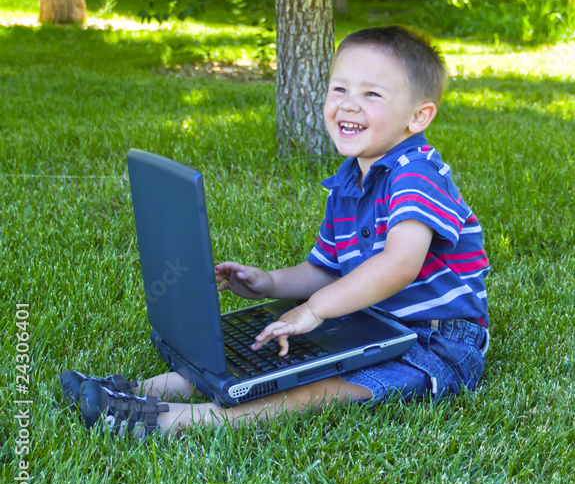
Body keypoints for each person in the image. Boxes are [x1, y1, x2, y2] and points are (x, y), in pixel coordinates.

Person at [59, 25, 489, 440]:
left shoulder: (418, 174)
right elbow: (324, 269)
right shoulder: (348, 182)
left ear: (418, 116)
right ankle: (137, 391)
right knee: (262, 352)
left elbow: (399, 264)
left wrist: (314, 310)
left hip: (436, 340)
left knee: (317, 389)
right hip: (365, 319)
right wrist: (269, 283)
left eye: (372, 94)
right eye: (339, 89)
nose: (349, 104)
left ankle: (177, 422)